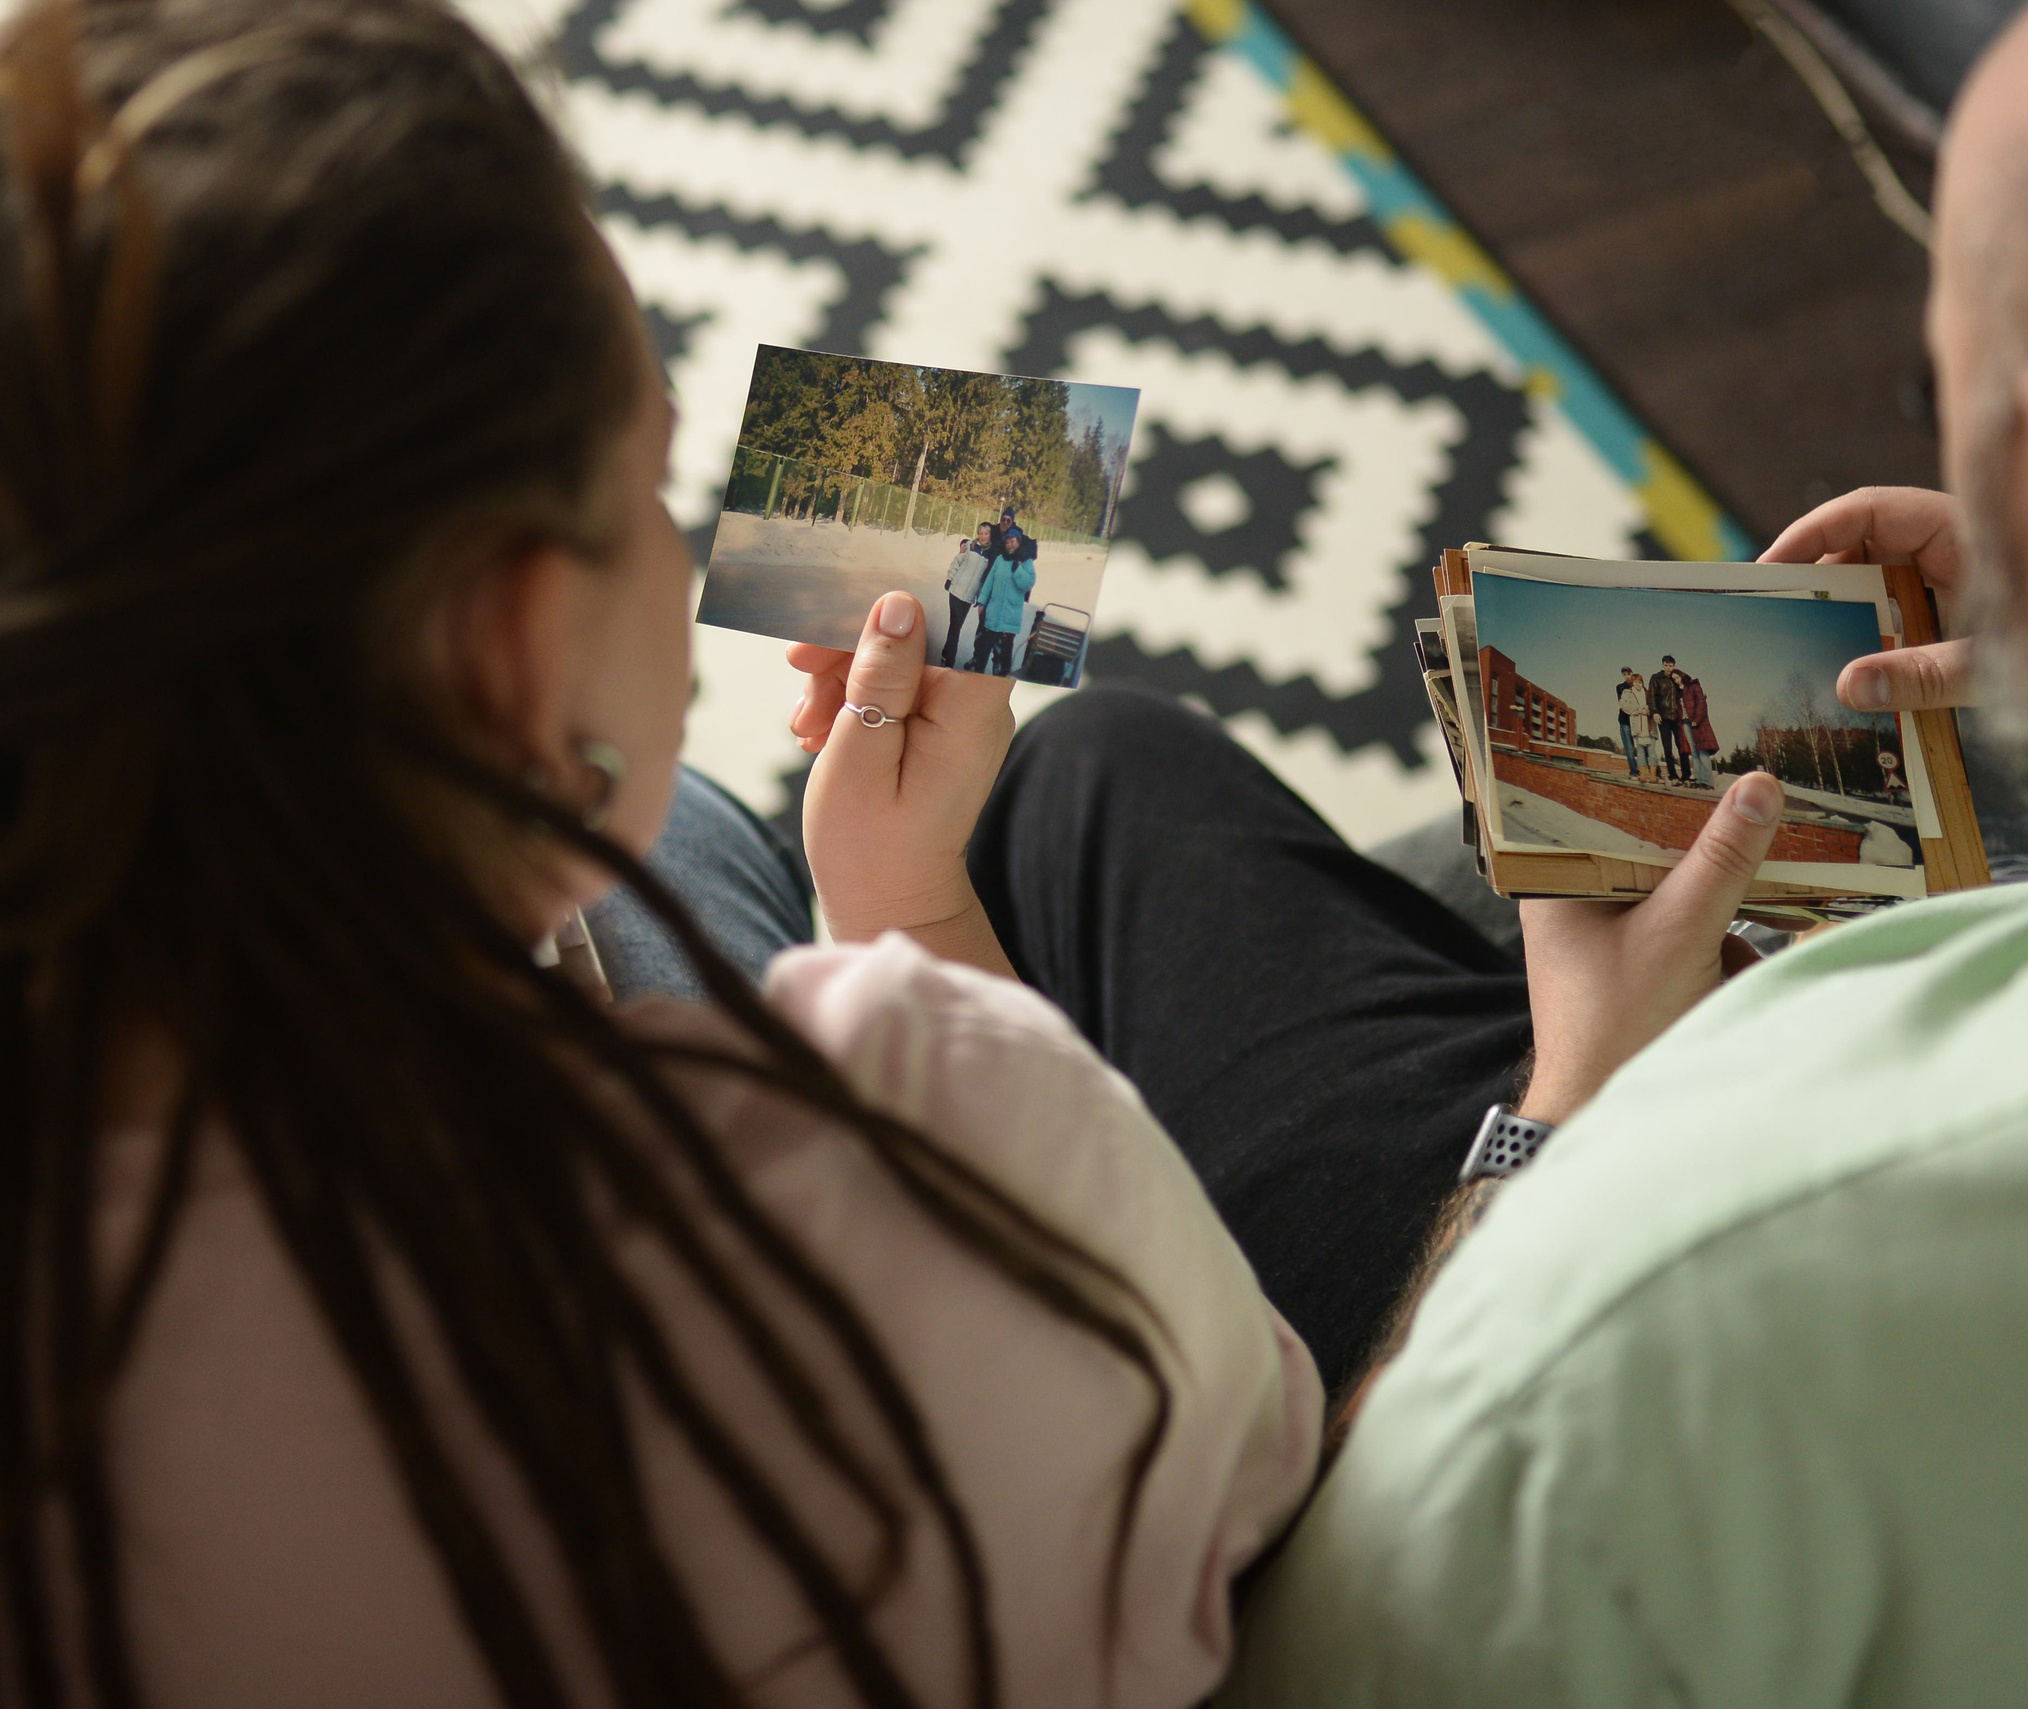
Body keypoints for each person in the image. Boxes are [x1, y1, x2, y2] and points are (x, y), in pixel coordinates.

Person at [1216, 0, 2028, 1700]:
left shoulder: (1656, 1318)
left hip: (1584, 1209)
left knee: (1114, 779)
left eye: (1953, 391)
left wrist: (1562, 1112)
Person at [0, 3, 1317, 1705]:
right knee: (1110, 764)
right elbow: (1283, 1518)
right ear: (514, 642)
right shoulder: (938, 1129)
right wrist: (910, 907)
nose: (682, 530)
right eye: (649, 475)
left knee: (682, 835)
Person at [971, 529, 1038, 676]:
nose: (1010, 545)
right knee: (983, 650)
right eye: (1007, 542)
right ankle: (977, 676)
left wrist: (1018, 569)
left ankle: (1001, 678)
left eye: (1013, 542)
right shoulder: (1000, 559)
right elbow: (989, 581)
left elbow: (1027, 584)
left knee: (1004, 655)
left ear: (1019, 542)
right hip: (993, 614)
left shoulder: (1025, 562)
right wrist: (982, 602)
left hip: (1009, 617)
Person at [938, 519, 995, 667]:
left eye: (986, 533)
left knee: (956, 626)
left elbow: (984, 580)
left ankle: (945, 653)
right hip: (956, 590)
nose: (983, 536)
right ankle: (950, 660)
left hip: (968, 597)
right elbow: (957, 561)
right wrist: (950, 578)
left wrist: (980, 597)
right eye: (981, 533)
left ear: (990, 535)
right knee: (956, 626)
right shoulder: (970, 546)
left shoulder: (990, 555)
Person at [1646, 655, 1694, 784]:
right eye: (1666, 665)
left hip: (1678, 717)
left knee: (1682, 747)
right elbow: (1651, 696)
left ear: (1674, 666)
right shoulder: (1656, 678)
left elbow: (1688, 684)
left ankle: (1686, 775)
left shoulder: (1676, 678)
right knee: (1667, 747)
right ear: (1663, 665)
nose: (1669, 668)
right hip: (1664, 717)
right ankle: (1673, 775)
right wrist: (1654, 712)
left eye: (1671, 665)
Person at [1613, 667, 1646, 776]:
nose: (1627, 676)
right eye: (1625, 674)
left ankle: (1651, 771)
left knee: (1643, 744)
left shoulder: (1640, 686)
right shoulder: (1621, 687)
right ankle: (1634, 770)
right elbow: (1624, 704)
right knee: (1629, 746)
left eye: (1629, 674)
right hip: (1625, 720)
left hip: (1638, 720)